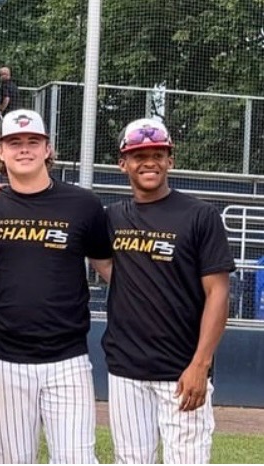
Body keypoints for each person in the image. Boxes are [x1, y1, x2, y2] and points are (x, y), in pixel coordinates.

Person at [0, 109, 112, 463]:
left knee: (77, 459)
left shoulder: (84, 204)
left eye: (33, 141)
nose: (24, 149)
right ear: (0, 151)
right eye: (14, 142)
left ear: (48, 148)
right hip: (4, 357)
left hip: (67, 357)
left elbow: (107, 265)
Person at [99, 118, 235, 463]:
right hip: (126, 370)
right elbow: (104, 264)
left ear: (170, 160)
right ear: (122, 163)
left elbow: (218, 293)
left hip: (181, 371)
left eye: (158, 154)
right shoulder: (112, 217)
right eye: (138, 155)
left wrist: (200, 365)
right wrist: (0, 190)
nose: (149, 162)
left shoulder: (200, 215)